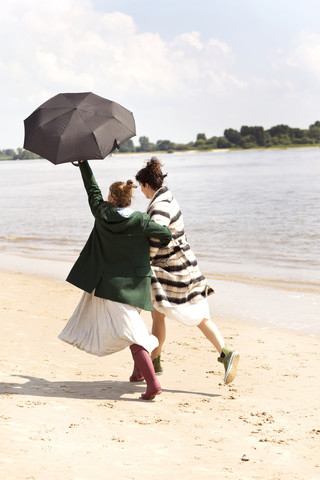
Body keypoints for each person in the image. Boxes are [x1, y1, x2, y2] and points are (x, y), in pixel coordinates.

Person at [58, 160, 172, 400]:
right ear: (128, 198)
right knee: (130, 330)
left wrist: (83, 165)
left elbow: (92, 190)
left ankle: (153, 384)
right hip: (136, 287)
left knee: (135, 335)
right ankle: (138, 375)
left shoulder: (103, 213)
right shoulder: (140, 220)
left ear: (111, 197)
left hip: (111, 286)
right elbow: (165, 234)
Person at [131, 156, 239, 385]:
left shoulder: (159, 205)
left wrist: (145, 261)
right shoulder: (167, 197)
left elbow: (158, 234)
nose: (141, 192)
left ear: (146, 185)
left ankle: (225, 353)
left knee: (193, 315)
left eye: (141, 187)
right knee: (160, 312)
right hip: (183, 265)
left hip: (172, 269)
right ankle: (157, 360)